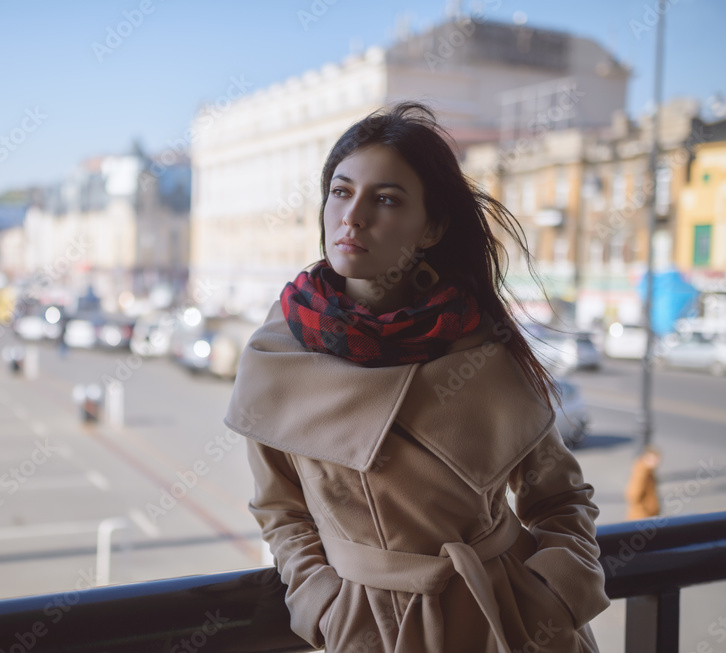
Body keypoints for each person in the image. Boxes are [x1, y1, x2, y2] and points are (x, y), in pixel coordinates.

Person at [224, 102, 610, 652]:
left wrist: (556, 592)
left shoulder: (480, 343)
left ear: (430, 227)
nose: (352, 216)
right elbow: (280, 510)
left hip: (511, 621)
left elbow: (560, 496)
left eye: (385, 199)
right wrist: (324, 605)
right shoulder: (280, 351)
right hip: (371, 628)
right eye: (340, 191)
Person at [625, 446, 661, 520]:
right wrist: (645, 510)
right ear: (646, 458)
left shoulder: (648, 471)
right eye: (655, 460)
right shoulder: (642, 473)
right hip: (642, 518)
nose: (657, 463)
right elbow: (633, 495)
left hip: (647, 516)